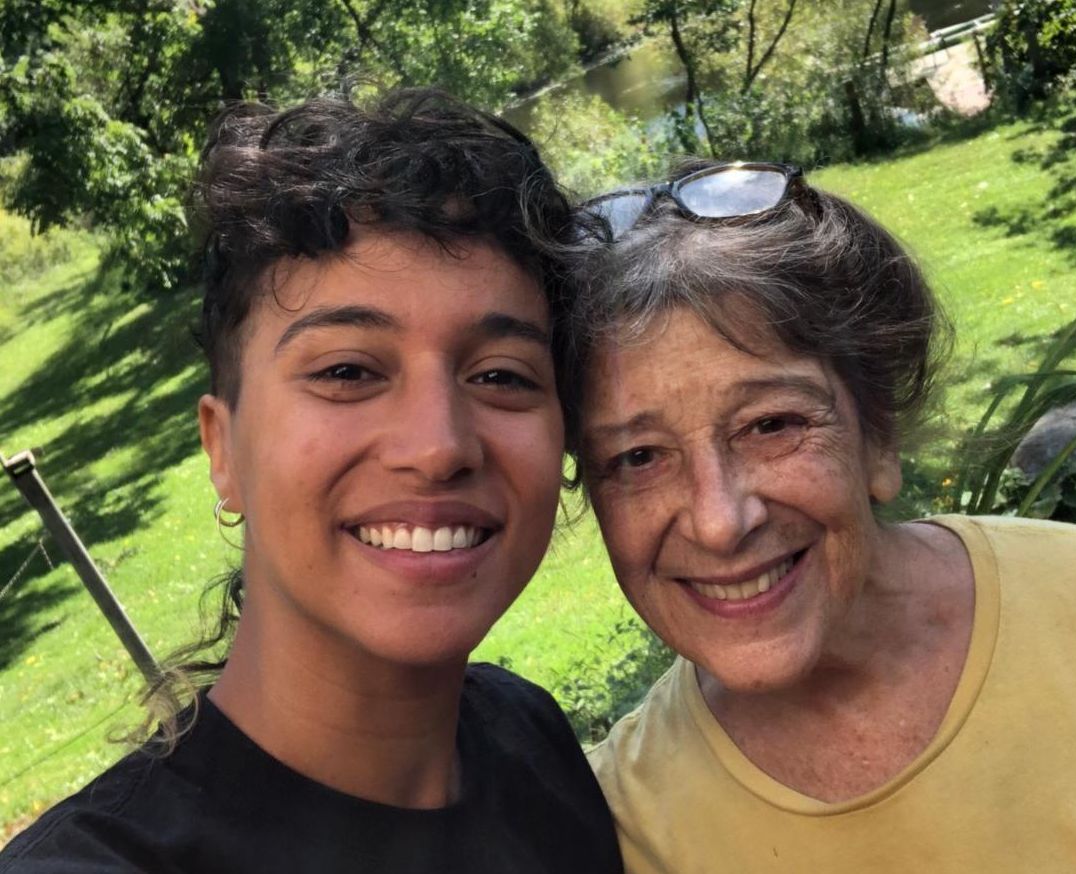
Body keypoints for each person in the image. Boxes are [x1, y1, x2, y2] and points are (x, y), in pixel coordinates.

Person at [0, 89, 622, 874]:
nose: (438, 447)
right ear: (222, 450)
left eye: (501, 375)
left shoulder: (531, 737)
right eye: (347, 371)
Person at [564, 161, 1076, 872]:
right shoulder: (619, 829)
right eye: (638, 458)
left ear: (879, 435)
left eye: (772, 425)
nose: (719, 522)